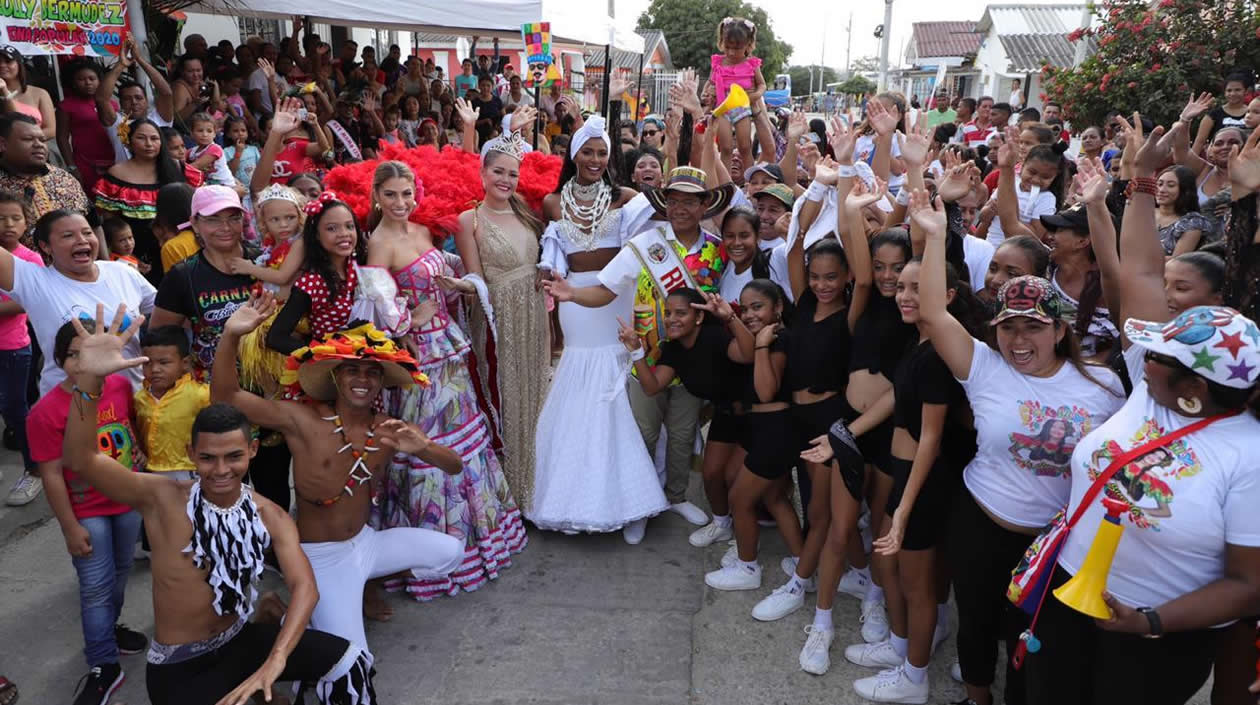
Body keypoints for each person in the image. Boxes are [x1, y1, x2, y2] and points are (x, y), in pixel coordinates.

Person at [62, 306, 379, 705]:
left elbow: (305, 587)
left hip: (240, 641)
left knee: (350, 662)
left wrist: (276, 660)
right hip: (180, 668)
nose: (221, 470)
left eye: (233, 457)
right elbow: (81, 461)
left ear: (252, 450)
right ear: (191, 453)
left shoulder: (270, 514)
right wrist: (89, 383)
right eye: (208, 458)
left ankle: (267, 647)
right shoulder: (161, 498)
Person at [914, 189, 1124, 705]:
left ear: (1059, 328)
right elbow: (934, 317)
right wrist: (937, 235)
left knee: (1034, 640)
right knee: (976, 626)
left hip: (1053, 543)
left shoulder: (1104, 386)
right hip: (980, 523)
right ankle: (977, 698)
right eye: (1009, 327)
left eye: (1033, 326)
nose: (1019, 340)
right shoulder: (984, 367)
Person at [214, 297, 468, 655]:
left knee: (451, 552)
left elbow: (454, 465)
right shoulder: (301, 420)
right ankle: (282, 612)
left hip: (366, 544)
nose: (362, 380)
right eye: (352, 370)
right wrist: (230, 336)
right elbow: (225, 397)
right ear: (336, 376)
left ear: (381, 382)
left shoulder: (388, 429)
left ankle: (365, 583)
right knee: (350, 660)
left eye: (372, 373)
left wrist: (424, 447)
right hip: (321, 557)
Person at [544, 165, 736, 536]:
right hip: (648, 357)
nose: (681, 208)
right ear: (665, 204)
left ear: (704, 205)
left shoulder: (718, 251)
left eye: (690, 201)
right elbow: (607, 289)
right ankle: (639, 509)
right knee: (644, 433)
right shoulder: (647, 244)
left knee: (682, 436)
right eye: (674, 200)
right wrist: (572, 294)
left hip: (694, 362)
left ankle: (676, 496)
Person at [365, 160, 528, 599]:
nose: (401, 203)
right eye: (391, 195)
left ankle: (480, 540)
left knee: (465, 441)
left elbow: (446, 264)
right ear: (376, 196)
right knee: (429, 449)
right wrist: (408, 320)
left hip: (449, 350)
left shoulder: (420, 230)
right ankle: (432, 556)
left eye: (407, 193)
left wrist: (461, 280)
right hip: (419, 358)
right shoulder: (378, 244)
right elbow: (378, 309)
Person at [531, 117, 667, 540]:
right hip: (573, 304)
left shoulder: (626, 198)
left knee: (618, 396)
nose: (595, 159)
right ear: (573, 155)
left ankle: (634, 505)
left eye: (602, 152)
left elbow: (658, 235)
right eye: (587, 151)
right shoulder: (553, 203)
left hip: (615, 300)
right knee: (578, 388)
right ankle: (573, 498)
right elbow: (552, 253)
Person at [28, 317, 147, 705]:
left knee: (120, 574)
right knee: (95, 588)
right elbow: (51, 474)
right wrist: (69, 527)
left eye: (93, 353)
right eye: (75, 356)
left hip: (126, 500)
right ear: (60, 361)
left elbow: (128, 426)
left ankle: (109, 632)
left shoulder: (116, 385)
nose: (86, 363)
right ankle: (102, 664)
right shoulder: (45, 413)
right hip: (87, 513)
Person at [450, 130, 549, 513]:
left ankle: (538, 489)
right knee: (505, 397)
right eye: (499, 172)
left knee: (535, 393)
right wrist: (458, 284)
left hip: (534, 310)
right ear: (483, 172)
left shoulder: (526, 210)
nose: (506, 180)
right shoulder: (467, 219)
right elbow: (475, 280)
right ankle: (510, 494)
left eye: (512, 173)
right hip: (498, 317)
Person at [620, 287, 755, 548]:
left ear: (699, 317)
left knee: (739, 483)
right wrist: (636, 352)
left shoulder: (715, 336)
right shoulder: (673, 350)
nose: (672, 319)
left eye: (681, 313)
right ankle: (721, 524)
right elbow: (651, 387)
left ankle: (746, 542)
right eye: (668, 313)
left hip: (756, 414)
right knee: (712, 473)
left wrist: (730, 318)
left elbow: (748, 354)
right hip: (726, 416)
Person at [0, 209, 155, 395]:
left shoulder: (122, 272)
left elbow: (167, 312)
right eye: (68, 236)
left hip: (130, 400)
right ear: (45, 246)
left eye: (87, 232)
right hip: (68, 406)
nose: (82, 240)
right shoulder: (36, 282)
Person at [148, 186, 257, 378]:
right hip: (214, 385)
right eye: (213, 219)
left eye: (234, 218)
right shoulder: (183, 275)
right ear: (195, 224)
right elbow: (160, 337)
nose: (225, 228)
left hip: (270, 378)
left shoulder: (264, 262)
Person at [94, 119, 203, 283]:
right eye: (141, 138)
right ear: (128, 141)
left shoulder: (178, 167)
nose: (149, 144)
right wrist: (126, 256)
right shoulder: (117, 174)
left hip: (183, 249)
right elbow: (111, 222)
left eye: (154, 138)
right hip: (138, 253)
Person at [0, 191, 42, 507]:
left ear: (26, 222)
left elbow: (27, 300)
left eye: (15, 218)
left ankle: (35, 470)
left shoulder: (28, 259)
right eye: (1, 218)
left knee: (16, 409)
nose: (8, 225)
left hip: (13, 348)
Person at [0, 114, 95, 239]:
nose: (39, 145)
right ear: (3, 144)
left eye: (43, 140)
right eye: (28, 139)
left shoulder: (63, 177)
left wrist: (102, 258)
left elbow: (94, 224)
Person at [134, 325, 209, 480]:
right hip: (150, 472)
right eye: (147, 363)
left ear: (185, 363)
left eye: (164, 362)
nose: (155, 369)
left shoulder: (200, 393)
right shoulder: (139, 398)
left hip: (189, 472)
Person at [95, 38, 175, 167]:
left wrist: (140, 59)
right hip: (127, 181)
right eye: (127, 99)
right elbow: (101, 99)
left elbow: (166, 93)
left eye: (138, 98)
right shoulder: (117, 123)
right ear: (120, 103)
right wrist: (121, 64)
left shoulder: (159, 119)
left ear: (146, 101)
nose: (133, 102)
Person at [707, 16, 765, 178]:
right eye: (728, 47)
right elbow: (710, 82)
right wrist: (706, 93)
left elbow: (762, 85)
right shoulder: (718, 62)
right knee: (724, 147)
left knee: (745, 146)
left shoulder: (751, 64)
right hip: (722, 108)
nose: (732, 52)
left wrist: (755, 96)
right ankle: (725, 182)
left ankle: (750, 181)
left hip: (742, 108)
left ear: (748, 45)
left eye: (737, 48)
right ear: (722, 43)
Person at [56, 59, 113, 193]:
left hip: (114, 161)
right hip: (85, 164)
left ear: (99, 80)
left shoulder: (111, 104)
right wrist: (72, 167)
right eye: (81, 79)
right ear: (73, 83)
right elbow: (62, 138)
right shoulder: (66, 106)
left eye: (92, 78)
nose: (88, 82)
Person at [1155, 165, 1217, 256]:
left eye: (1171, 185)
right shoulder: (1144, 213)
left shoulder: (1192, 222)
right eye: (1159, 184)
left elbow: (1176, 260)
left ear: (1185, 190)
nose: (1162, 190)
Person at [0, 46, 55, 140]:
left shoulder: (40, 93)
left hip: (36, 151)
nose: (2, 65)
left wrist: (27, 141)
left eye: (8, 61)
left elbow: (51, 130)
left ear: (19, 64)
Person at [1191, 72, 1252, 154]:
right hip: (1219, 161)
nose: (1233, 94)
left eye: (1237, 90)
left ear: (1246, 91)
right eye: (1229, 90)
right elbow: (1199, 142)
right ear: (1224, 92)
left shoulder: (1253, 113)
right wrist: (1190, 163)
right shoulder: (1213, 115)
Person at [187, 112, 235, 186]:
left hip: (225, 185)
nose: (205, 135)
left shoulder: (215, 149)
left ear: (214, 134)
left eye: (209, 131)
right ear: (192, 133)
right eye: (200, 131)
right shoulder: (192, 151)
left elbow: (196, 165)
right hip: (211, 185)